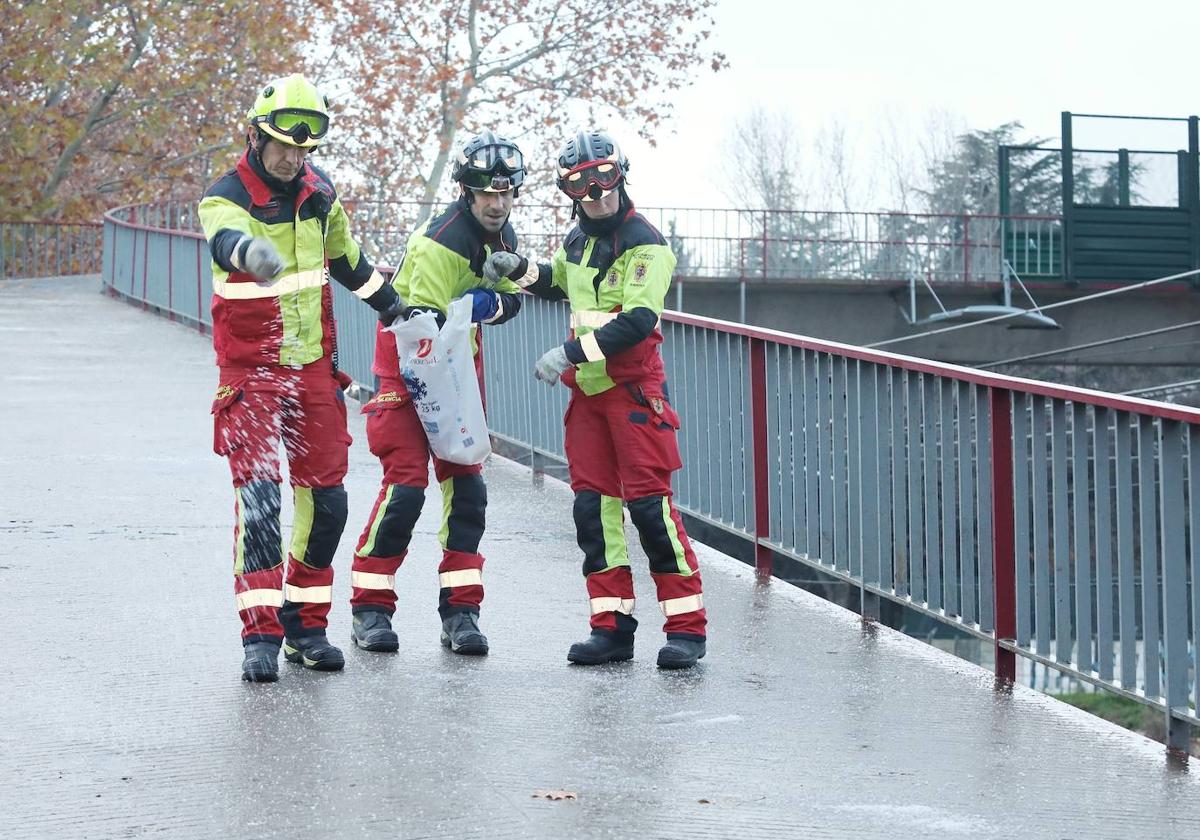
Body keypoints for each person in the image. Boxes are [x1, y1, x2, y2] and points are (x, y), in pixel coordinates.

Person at [198, 74, 405, 682]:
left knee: (329, 501)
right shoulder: (225, 194)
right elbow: (224, 240)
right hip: (252, 373)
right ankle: (258, 636)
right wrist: (247, 254)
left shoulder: (320, 195)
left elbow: (347, 262)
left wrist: (391, 305)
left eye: (302, 150)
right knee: (261, 504)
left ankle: (305, 625)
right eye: (282, 147)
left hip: (313, 370)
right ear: (257, 137)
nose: (292, 159)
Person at [483, 130, 707, 669]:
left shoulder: (645, 244)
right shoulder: (577, 240)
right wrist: (519, 268)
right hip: (588, 399)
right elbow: (561, 284)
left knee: (651, 513)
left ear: (622, 174)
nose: (596, 192)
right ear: (568, 190)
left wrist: (568, 353)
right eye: (582, 184)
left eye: (604, 178)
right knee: (593, 513)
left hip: (633, 394)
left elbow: (638, 320)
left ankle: (686, 629)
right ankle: (610, 627)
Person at [348, 130, 527, 657]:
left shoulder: (504, 235)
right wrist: (471, 306)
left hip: (457, 369)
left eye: (505, 194)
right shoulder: (439, 243)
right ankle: (369, 607)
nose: (497, 205)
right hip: (409, 371)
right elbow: (418, 335)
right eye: (487, 195)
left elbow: (513, 298)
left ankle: (462, 613)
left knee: (468, 492)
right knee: (406, 489)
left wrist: (483, 304)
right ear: (467, 193)